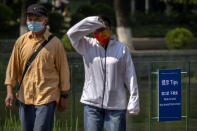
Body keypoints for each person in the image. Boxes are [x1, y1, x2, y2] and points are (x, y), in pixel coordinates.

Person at [67, 15, 140, 131]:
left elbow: (130, 75)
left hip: (116, 106)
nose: (100, 33)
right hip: (92, 105)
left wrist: (134, 99)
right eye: (96, 30)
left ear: (110, 29)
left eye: (103, 29)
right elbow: (71, 33)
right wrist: (93, 21)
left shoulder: (121, 48)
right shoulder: (86, 45)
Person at [4, 3, 70, 131]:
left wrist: (64, 96)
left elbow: (64, 71)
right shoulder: (21, 42)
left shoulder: (56, 44)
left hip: (47, 97)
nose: (33, 22)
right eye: (30, 19)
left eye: (37, 19)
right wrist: (9, 92)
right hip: (24, 96)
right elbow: (12, 68)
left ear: (45, 20)